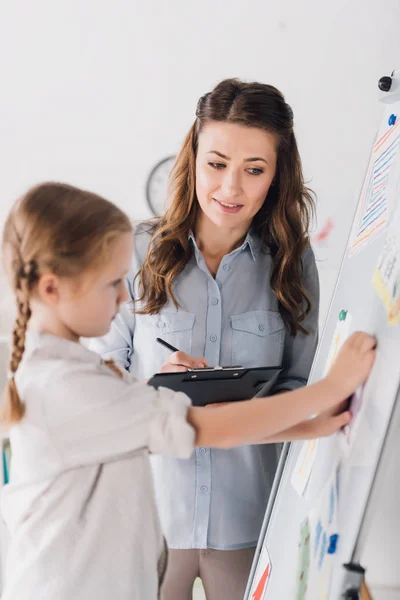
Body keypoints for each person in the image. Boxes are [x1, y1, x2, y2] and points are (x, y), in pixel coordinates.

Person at [0, 182, 375, 600]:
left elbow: (190, 424)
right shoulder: (68, 387)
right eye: (112, 283)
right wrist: (332, 387)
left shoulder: (79, 373)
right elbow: (210, 428)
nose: (126, 295)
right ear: (52, 289)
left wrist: (311, 427)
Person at [91, 78, 320, 599]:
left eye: (254, 170)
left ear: (277, 175)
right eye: (216, 164)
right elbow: (98, 384)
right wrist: (154, 392)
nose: (231, 189)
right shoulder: (135, 251)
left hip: (248, 520)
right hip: (149, 521)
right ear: (193, 158)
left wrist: (246, 411)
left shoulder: (293, 265)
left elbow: (300, 387)